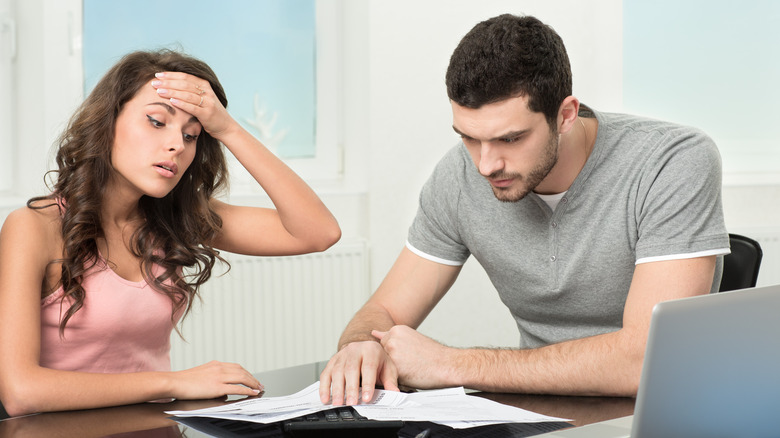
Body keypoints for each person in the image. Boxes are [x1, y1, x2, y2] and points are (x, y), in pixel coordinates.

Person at [319, 14, 729, 405]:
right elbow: (384, 311)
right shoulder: (458, 177)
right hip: (534, 413)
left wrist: (450, 364)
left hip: (663, 412)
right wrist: (360, 347)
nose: (485, 165)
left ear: (565, 115)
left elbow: (645, 362)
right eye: (469, 138)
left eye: (510, 139)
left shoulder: (672, 161)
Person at [0, 49, 341, 417]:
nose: (177, 144)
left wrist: (227, 128)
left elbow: (317, 232)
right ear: (107, 121)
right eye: (156, 121)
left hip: (151, 427)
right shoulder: (34, 228)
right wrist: (174, 382)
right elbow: (22, 391)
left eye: (192, 135)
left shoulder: (175, 219)